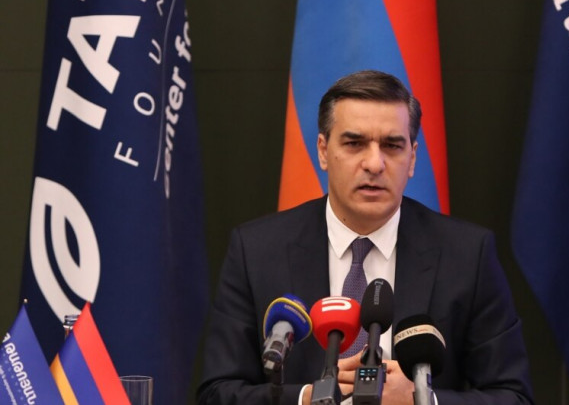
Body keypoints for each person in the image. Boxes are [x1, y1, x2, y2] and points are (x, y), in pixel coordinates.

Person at [197, 70, 534, 404]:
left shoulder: (467, 255)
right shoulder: (257, 251)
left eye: (392, 145)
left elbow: (513, 396)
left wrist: (421, 400)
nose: (374, 163)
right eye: (355, 143)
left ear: (412, 158)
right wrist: (305, 399)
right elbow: (216, 393)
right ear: (323, 151)